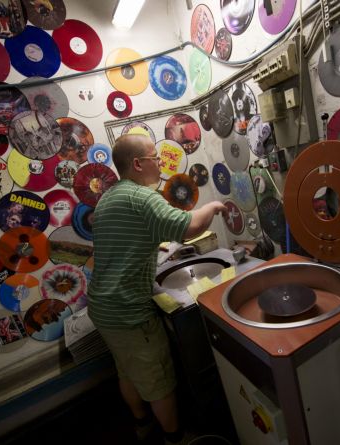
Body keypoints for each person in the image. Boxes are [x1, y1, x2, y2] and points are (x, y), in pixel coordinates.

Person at [87, 133, 227, 445]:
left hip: (102, 307)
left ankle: (142, 425)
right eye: (155, 157)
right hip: (128, 311)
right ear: (138, 164)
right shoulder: (142, 197)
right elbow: (190, 226)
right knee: (158, 380)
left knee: (128, 371)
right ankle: (175, 439)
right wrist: (213, 206)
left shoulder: (109, 197)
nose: (161, 162)